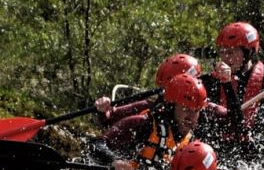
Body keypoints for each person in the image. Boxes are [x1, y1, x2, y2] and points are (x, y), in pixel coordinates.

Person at [201, 22, 264, 158]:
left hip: (257, 154)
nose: (226, 58)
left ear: (249, 52)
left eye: (231, 52)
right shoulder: (209, 82)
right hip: (220, 153)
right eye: (223, 52)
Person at [94, 53, 242, 145]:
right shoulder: (148, 115)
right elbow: (109, 122)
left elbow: (236, 123)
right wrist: (102, 110)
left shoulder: (205, 109)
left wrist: (227, 84)